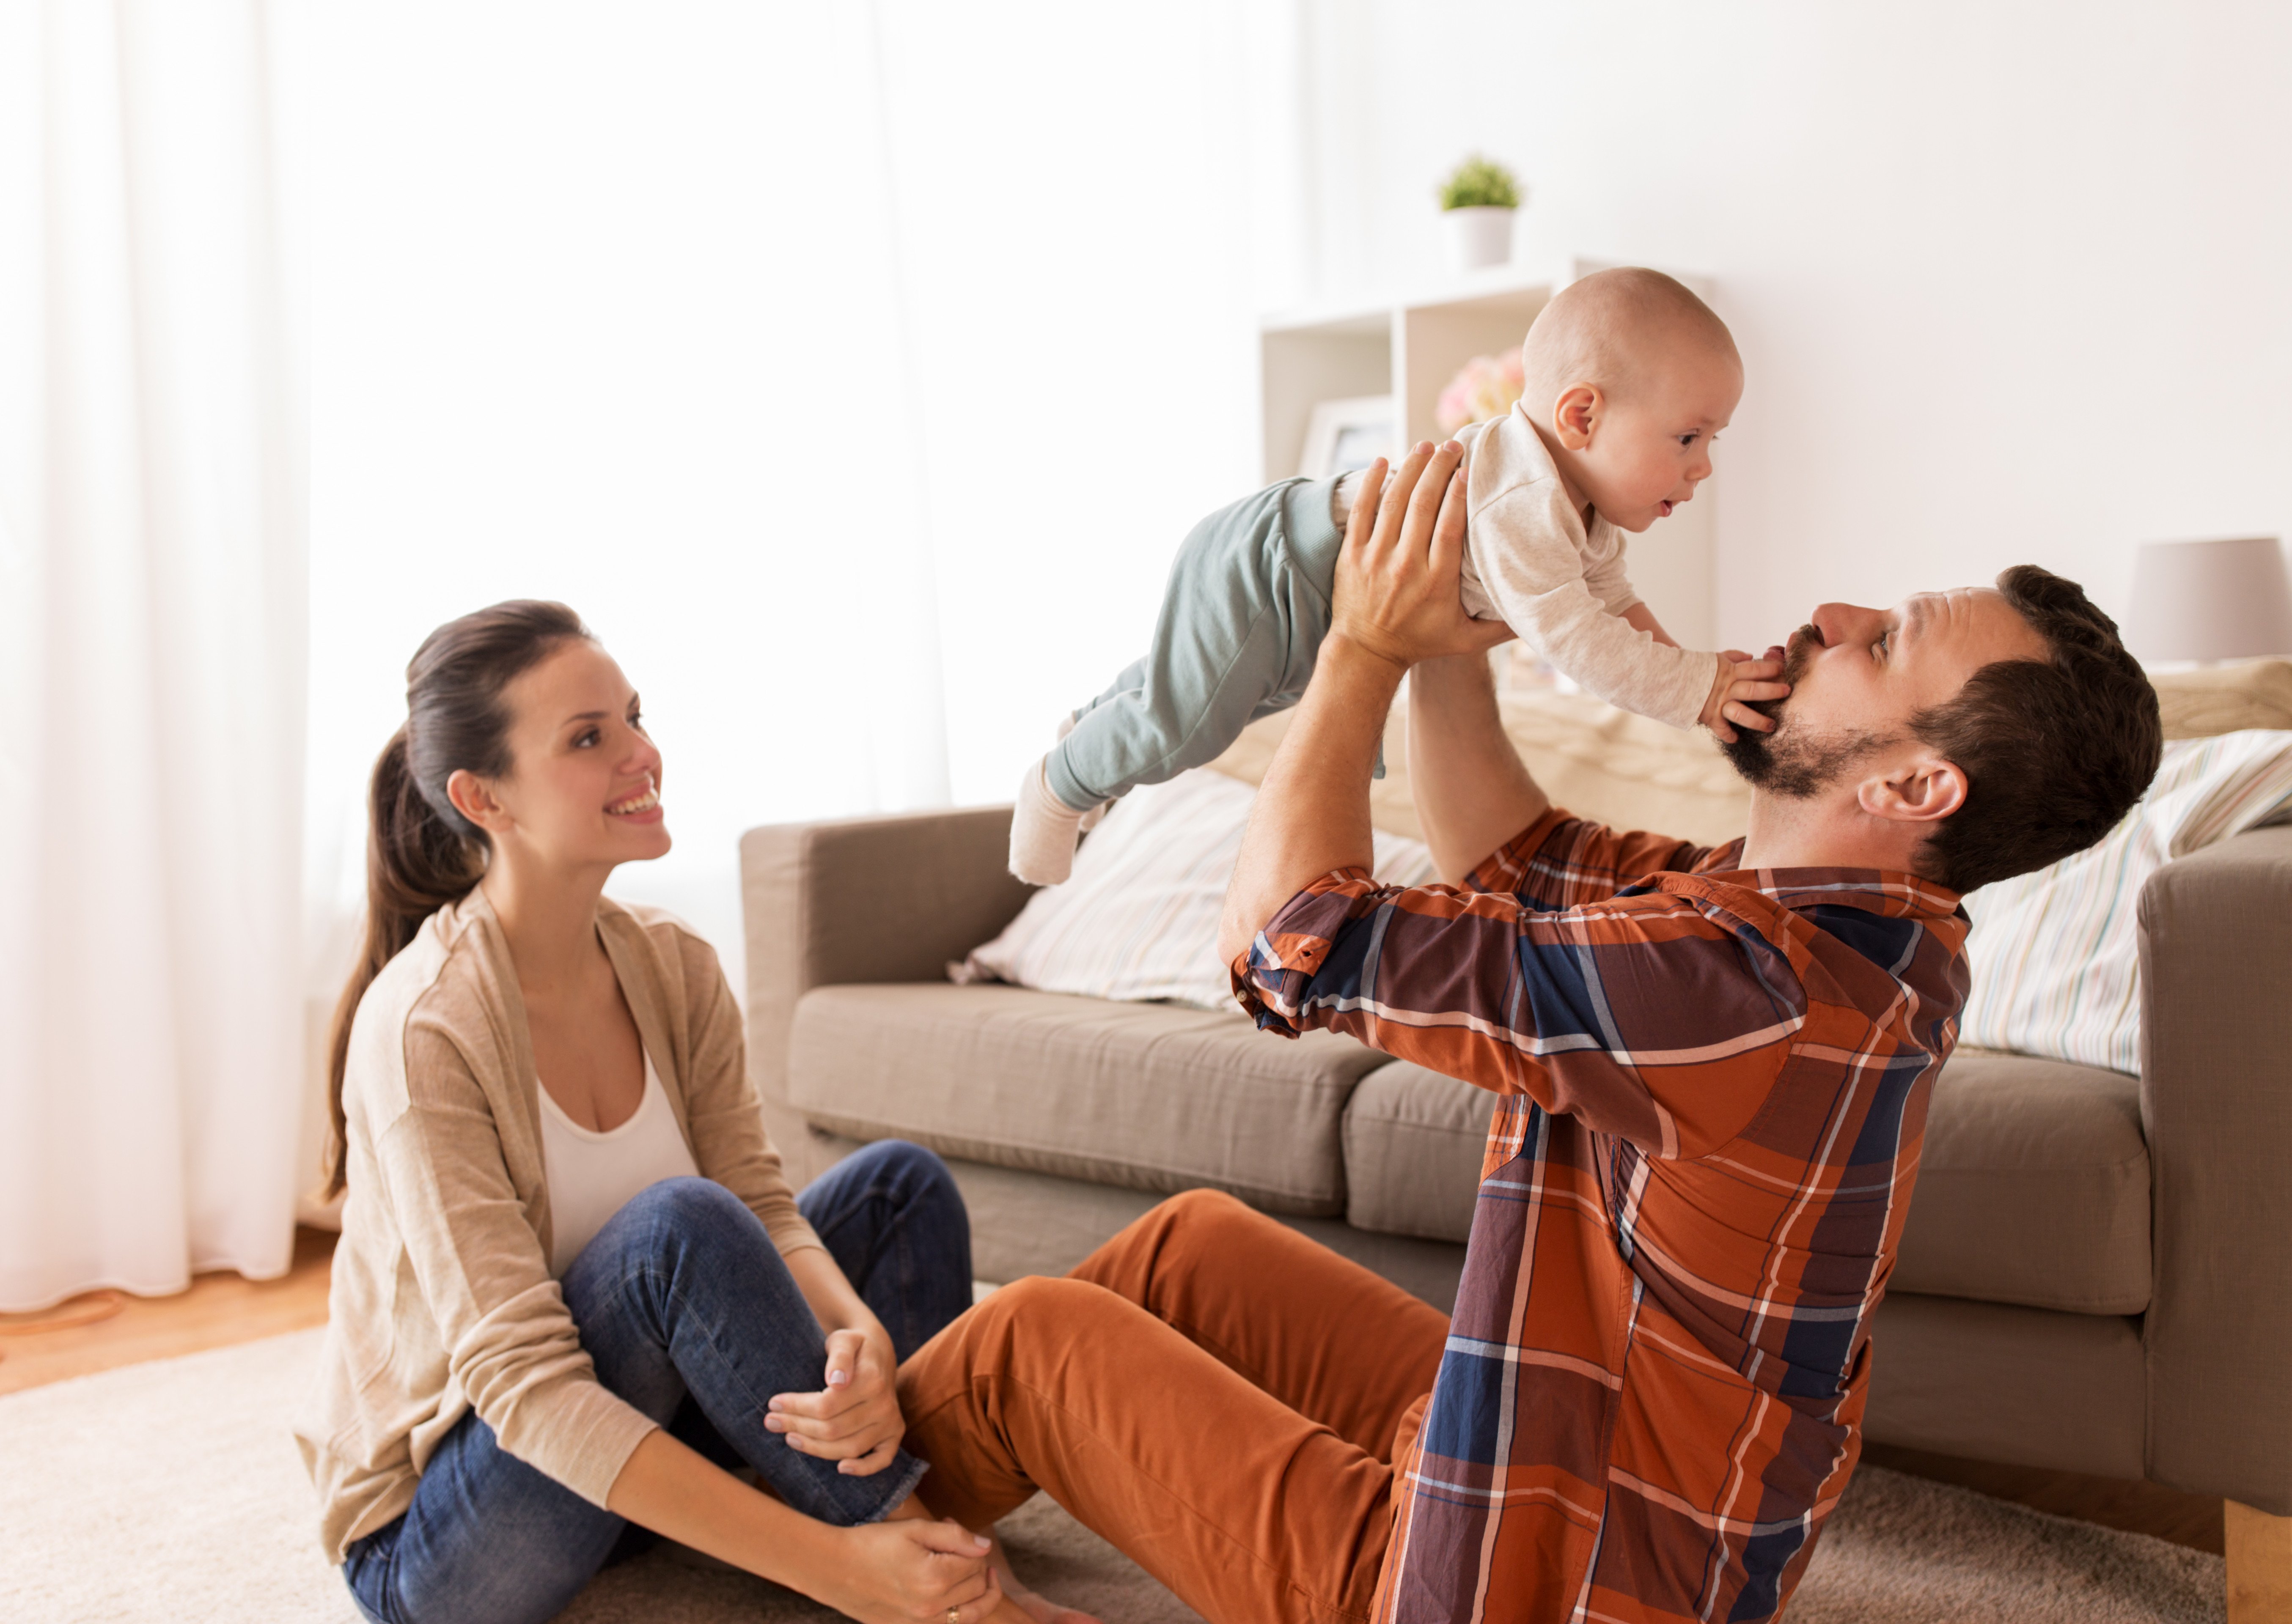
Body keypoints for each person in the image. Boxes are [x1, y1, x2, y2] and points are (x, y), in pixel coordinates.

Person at [895, 441, 2162, 1623]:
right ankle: (861, 1436)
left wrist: (1362, 647)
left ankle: (821, 1513)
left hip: (1529, 1584)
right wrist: (1458, 610)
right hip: (1564, 1455)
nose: (1829, 618)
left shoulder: (1746, 993)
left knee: (1027, 1346)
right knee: (1188, 1247)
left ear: (1910, 787)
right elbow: (1517, 856)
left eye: (1881, 645)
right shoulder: (1834, 931)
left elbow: (1290, 938)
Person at [294, 602, 1036, 1624]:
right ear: (484, 797)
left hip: (640, 1436)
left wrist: (856, 1336)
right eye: (590, 738)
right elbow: (528, 1388)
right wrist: (831, 1569)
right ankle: (903, 1559)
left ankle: (910, 1522)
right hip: (445, 1533)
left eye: (634, 718)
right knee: (671, 1234)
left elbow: (764, 1208)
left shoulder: (673, 964)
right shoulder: (427, 1028)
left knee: (899, 1189)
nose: (643, 753)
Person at [1007, 267, 1779, 885]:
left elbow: (1614, 606)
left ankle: (1094, 724)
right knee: (1190, 725)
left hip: (1313, 594)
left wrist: (1698, 684)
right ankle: (1058, 784)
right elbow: (1576, 640)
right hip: (1277, 565)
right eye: (1687, 436)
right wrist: (1695, 690)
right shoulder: (1520, 500)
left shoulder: (1581, 513)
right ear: (1581, 417)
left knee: (1226, 699)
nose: (1703, 465)